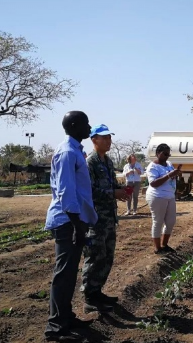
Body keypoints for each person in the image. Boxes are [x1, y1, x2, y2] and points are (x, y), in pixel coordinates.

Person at [44, 111, 96, 342]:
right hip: (67, 221)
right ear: (74, 126)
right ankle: (55, 327)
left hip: (75, 220)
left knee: (69, 273)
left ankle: (66, 317)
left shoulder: (75, 150)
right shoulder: (67, 152)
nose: (89, 127)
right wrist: (77, 225)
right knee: (63, 274)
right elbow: (65, 191)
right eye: (86, 123)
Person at [81, 124, 130, 313]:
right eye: (105, 138)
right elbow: (89, 191)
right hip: (95, 218)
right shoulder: (90, 162)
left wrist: (122, 190)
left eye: (110, 137)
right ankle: (89, 297)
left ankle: (97, 291)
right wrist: (113, 193)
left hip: (109, 217)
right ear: (94, 140)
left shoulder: (107, 162)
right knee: (94, 257)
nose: (109, 141)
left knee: (107, 256)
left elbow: (112, 184)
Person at [145, 143, 182, 254]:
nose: (167, 156)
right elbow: (154, 183)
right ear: (157, 153)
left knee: (170, 221)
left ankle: (164, 244)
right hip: (157, 196)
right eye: (165, 154)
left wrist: (176, 174)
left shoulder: (169, 164)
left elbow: (171, 176)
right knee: (158, 222)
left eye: (168, 154)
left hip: (169, 196)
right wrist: (170, 175)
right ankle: (157, 248)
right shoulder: (152, 167)